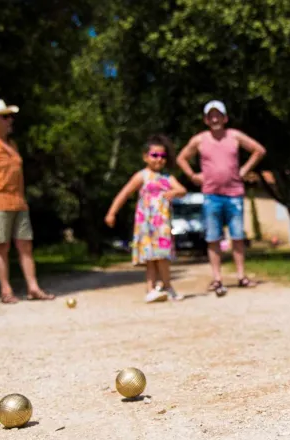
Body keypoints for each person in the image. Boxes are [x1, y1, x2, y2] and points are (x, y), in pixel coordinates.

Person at [0, 99, 54, 303]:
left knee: (25, 246)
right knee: (1, 246)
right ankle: (6, 291)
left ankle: (33, 287)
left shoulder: (12, 145)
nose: (10, 121)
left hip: (18, 202)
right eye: (6, 117)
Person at [176, 100, 266, 295]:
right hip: (211, 195)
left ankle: (241, 276)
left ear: (225, 118)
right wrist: (192, 175)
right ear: (206, 120)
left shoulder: (234, 136)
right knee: (213, 238)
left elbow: (259, 150)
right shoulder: (200, 139)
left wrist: (244, 170)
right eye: (211, 116)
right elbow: (181, 158)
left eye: (218, 115)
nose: (215, 119)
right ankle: (217, 278)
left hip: (234, 194)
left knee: (238, 236)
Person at [105, 135, 188, 303]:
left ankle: (167, 286)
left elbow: (182, 190)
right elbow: (124, 193)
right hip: (146, 225)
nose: (159, 159)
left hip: (162, 225)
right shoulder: (141, 176)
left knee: (163, 256)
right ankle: (150, 289)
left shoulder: (167, 178)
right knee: (150, 258)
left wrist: (174, 192)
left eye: (163, 156)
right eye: (155, 155)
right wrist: (112, 212)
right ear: (145, 157)